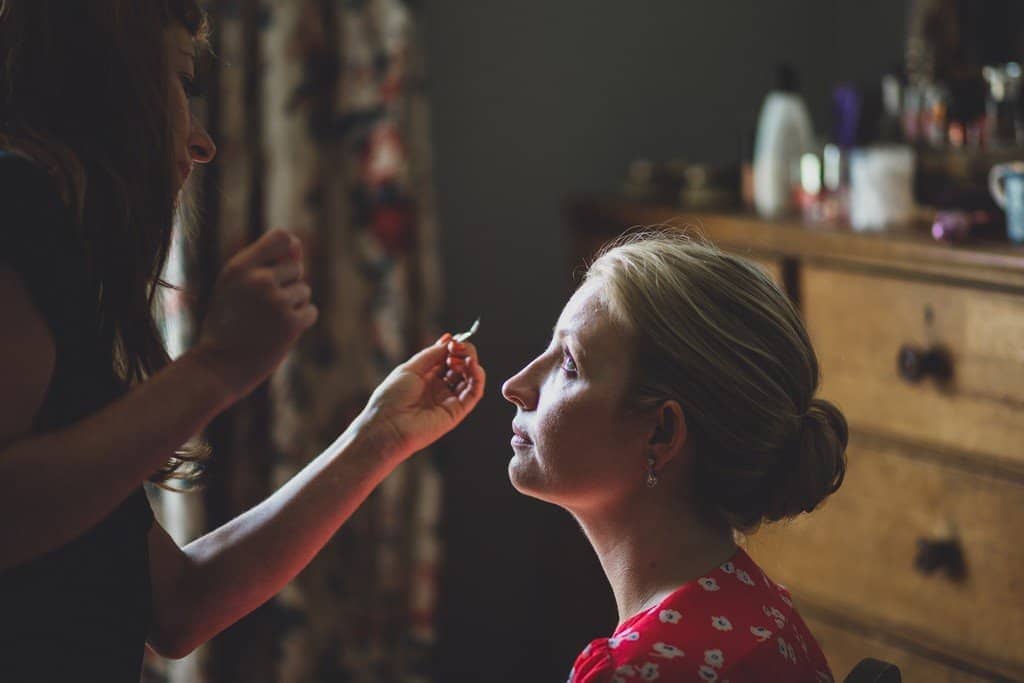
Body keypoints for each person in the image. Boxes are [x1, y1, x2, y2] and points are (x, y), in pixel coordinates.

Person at [0, 2, 485, 679]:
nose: (201, 143)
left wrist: (379, 435)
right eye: (179, 79)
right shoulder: (15, 208)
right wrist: (217, 366)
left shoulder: (70, 281)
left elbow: (178, 605)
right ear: (108, 86)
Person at [502, 231, 847, 682]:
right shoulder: (762, 608)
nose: (515, 386)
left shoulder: (642, 672)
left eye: (569, 364)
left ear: (661, 433)